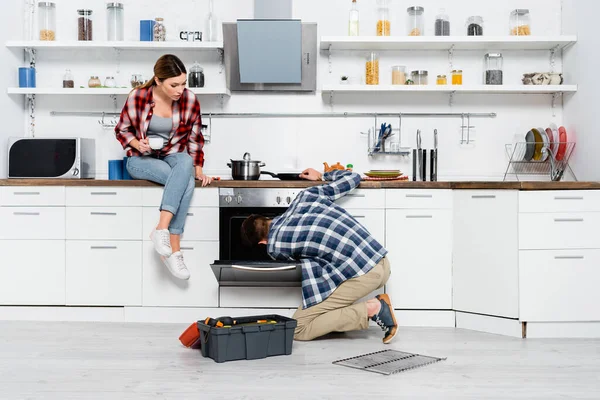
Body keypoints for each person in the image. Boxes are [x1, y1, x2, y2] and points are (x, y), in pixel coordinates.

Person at [240, 168, 398, 343]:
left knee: (298, 328)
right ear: (267, 218)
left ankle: (373, 308)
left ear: (262, 243)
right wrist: (322, 176)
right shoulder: (305, 196)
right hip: (381, 260)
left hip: (365, 275)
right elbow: (353, 177)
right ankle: (358, 314)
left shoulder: (275, 247)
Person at [115, 54, 211, 281]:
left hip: (172, 156)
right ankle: (174, 249)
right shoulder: (137, 96)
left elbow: (196, 138)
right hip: (140, 159)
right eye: (174, 84)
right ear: (158, 80)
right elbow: (122, 130)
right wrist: (139, 143)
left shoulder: (189, 100)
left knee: (185, 165)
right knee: (183, 180)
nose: (181, 89)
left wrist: (198, 169)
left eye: (184, 83)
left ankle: (161, 230)